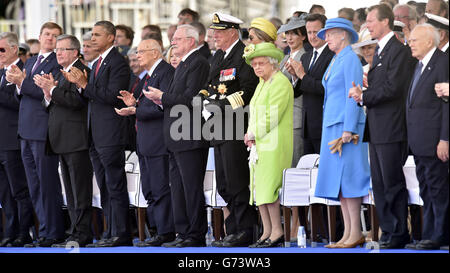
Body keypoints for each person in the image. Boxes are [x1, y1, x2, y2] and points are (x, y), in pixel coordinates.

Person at [348, 4, 415, 249]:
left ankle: (398, 232)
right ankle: (388, 231)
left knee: (392, 182)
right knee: (379, 182)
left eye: (372, 21)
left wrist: (364, 96)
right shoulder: (380, 51)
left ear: (386, 21)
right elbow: (382, 86)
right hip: (377, 126)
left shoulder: (398, 51)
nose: (367, 25)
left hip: (391, 126)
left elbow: (394, 88)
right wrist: (364, 92)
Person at [62, 20, 132, 247]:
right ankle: (110, 232)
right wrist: (78, 84)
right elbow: (91, 96)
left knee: (114, 184)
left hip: (110, 133)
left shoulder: (118, 63)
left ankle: (121, 234)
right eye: (92, 34)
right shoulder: (97, 61)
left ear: (111, 37)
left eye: (97, 35)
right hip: (95, 133)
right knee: (104, 186)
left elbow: (113, 96)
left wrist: (84, 84)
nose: (92, 39)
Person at [144, 24, 210, 247]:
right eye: (173, 38)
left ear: (191, 41)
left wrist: (163, 96)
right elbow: (174, 97)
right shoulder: (182, 64)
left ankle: (195, 234)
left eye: (178, 39)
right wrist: (160, 99)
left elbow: (193, 98)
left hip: (190, 135)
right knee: (179, 188)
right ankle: (183, 233)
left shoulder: (198, 62)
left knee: (191, 188)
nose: (173, 42)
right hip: (176, 135)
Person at [201, 12, 259, 247]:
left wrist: (220, 105)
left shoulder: (243, 55)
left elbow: (247, 90)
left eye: (219, 31)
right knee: (224, 182)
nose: (214, 35)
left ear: (232, 32)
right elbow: (208, 85)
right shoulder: (218, 56)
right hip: (217, 127)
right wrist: (203, 100)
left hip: (235, 125)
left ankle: (244, 230)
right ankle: (233, 228)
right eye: (213, 31)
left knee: (237, 181)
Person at [6, 22, 66, 247]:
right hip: (25, 130)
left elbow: (47, 93)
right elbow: (22, 95)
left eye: (55, 36)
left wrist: (22, 82)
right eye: (47, 34)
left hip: (43, 131)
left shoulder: (57, 62)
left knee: (47, 184)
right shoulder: (31, 61)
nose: (50, 39)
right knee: (34, 186)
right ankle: (44, 231)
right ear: (39, 36)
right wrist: (19, 85)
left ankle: (54, 232)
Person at [314, 17, 371, 249]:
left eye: (329, 34)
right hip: (332, 125)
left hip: (345, 128)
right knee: (339, 183)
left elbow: (353, 95)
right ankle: (348, 232)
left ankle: (355, 232)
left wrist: (349, 127)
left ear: (343, 35)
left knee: (349, 180)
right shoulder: (337, 59)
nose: (325, 38)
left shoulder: (350, 60)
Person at [33, 34, 93, 247]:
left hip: (77, 139)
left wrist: (52, 89)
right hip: (62, 139)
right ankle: (75, 232)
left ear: (75, 52)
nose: (58, 53)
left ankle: (83, 234)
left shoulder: (81, 71)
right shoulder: (62, 72)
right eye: (57, 49)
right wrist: (47, 93)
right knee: (71, 191)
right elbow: (53, 104)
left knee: (80, 190)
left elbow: (76, 101)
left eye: (63, 49)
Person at [115, 38, 176, 247]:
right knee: (149, 189)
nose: (137, 56)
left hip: (158, 140)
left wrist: (135, 110)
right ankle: (157, 230)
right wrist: (134, 103)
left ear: (156, 53)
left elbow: (161, 107)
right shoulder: (149, 76)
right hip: (145, 140)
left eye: (141, 52)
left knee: (160, 188)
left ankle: (166, 231)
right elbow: (147, 104)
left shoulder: (165, 72)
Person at [243, 42, 293, 248]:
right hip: (259, 143)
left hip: (274, 143)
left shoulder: (280, 82)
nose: (257, 68)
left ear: (273, 64)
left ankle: (277, 232)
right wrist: (250, 134)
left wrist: (253, 133)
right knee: (259, 187)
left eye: (261, 63)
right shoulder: (262, 83)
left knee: (269, 188)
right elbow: (254, 112)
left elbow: (272, 115)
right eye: (254, 64)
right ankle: (267, 231)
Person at [404, 24, 449, 250]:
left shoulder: (442, 62)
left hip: (434, 141)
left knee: (438, 188)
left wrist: (445, 139)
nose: (409, 43)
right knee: (426, 189)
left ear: (429, 42)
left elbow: (446, 106)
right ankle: (429, 234)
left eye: (414, 40)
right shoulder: (419, 64)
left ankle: (439, 235)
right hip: (419, 141)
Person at [0, 32, 34, 247]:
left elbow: (19, 102)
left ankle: (24, 232)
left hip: (14, 140)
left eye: (2, 49)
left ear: (14, 49)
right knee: (4, 193)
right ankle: (9, 232)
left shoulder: (25, 71)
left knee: (19, 190)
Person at [278, 16, 308, 168]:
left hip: (296, 115)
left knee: (295, 161)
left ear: (303, 36)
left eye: (294, 33)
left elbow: (301, 86)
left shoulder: (305, 57)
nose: (289, 38)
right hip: (282, 116)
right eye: (287, 34)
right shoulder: (283, 59)